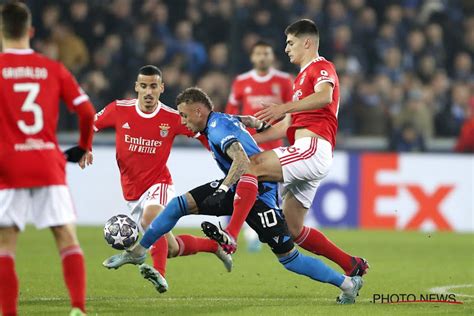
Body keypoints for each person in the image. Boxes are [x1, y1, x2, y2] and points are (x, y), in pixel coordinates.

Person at [101, 87, 363, 304]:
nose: (182, 121)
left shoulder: (216, 129)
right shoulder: (217, 121)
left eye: (183, 115)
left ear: (198, 111)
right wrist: (253, 122)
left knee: (290, 259)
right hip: (239, 187)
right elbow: (243, 123)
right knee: (177, 205)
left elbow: (241, 161)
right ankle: (138, 250)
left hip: (259, 193)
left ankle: (347, 283)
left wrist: (223, 188)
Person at [206, 19, 370, 279]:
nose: (286, 49)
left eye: (290, 43)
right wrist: (245, 134)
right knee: (293, 229)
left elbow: (325, 96)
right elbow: (284, 129)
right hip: (305, 150)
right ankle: (351, 264)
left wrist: (283, 107)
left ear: (307, 42)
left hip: (313, 147)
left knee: (251, 167)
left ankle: (231, 236)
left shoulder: (321, 67)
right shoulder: (299, 80)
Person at [82, 65, 232, 293]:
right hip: (132, 192)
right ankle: (213, 246)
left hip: (159, 184)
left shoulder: (172, 118)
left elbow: (203, 133)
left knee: (152, 218)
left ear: (161, 88)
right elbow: (90, 123)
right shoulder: (119, 109)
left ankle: (159, 274)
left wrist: (219, 155)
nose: (149, 92)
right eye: (144, 86)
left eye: (153, 86)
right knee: (170, 248)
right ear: (136, 87)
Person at [0, 3, 95, 316]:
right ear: (30, 32)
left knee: (5, 246)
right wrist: (83, 146)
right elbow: (86, 112)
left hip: (8, 164)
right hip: (46, 160)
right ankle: (78, 308)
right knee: (66, 237)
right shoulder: (52, 68)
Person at [225, 40, 293, 252]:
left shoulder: (284, 81)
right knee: (239, 186)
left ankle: (263, 232)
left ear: (272, 57)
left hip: (274, 146)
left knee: (269, 193)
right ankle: (238, 231)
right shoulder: (241, 81)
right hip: (246, 145)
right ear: (252, 57)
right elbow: (231, 111)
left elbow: (292, 113)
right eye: (259, 54)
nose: (262, 57)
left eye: (266, 53)